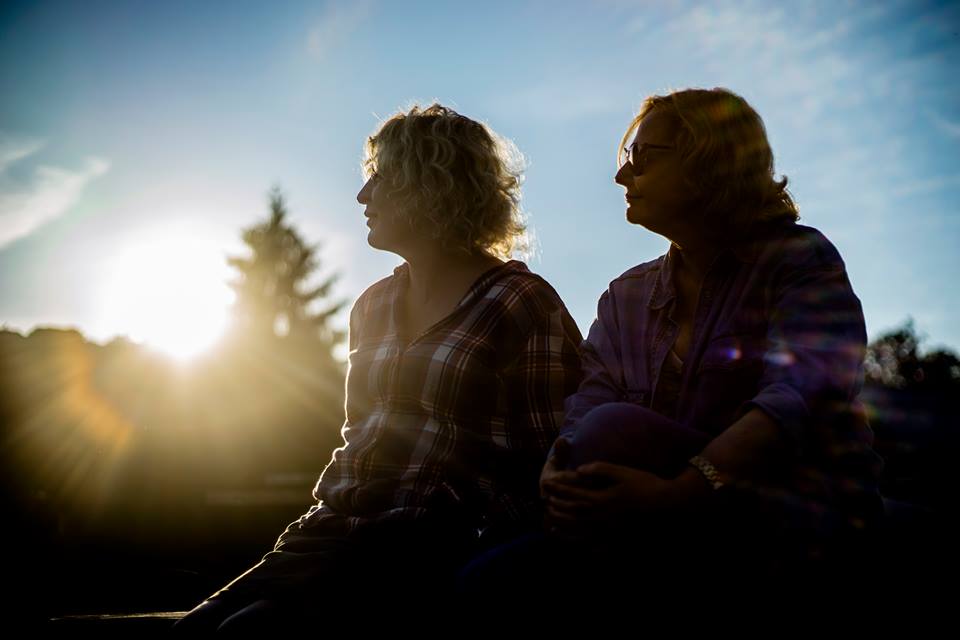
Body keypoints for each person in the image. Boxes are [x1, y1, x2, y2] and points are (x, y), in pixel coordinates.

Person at [458, 87, 884, 610]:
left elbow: (800, 399)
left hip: (794, 517)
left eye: (642, 157)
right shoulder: (626, 296)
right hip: (656, 527)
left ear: (711, 162)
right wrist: (558, 465)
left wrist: (686, 490)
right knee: (483, 579)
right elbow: (589, 401)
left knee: (612, 429)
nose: (622, 175)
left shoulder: (798, 260)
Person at [174, 104, 582, 633]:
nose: (363, 196)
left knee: (247, 635)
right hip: (333, 530)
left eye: (381, 178)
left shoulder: (521, 301)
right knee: (194, 631)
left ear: (431, 185)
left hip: (439, 545)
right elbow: (358, 436)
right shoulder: (372, 305)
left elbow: (550, 454)